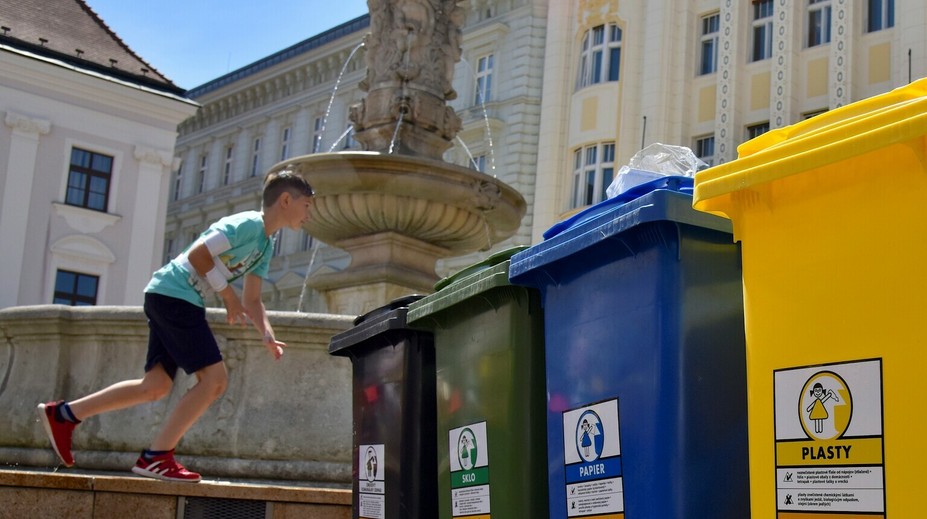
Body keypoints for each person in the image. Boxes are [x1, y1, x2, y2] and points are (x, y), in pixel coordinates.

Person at [37, 170, 314, 483]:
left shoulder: (264, 245)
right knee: (215, 380)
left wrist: (267, 335)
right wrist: (226, 295)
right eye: (307, 205)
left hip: (172, 296)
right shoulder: (247, 224)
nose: (309, 214)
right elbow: (198, 254)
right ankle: (156, 457)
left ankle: (63, 415)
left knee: (155, 386)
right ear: (286, 200)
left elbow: (252, 301)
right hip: (174, 295)